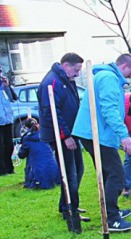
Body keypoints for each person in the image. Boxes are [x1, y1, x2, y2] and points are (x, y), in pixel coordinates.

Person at [72, 54, 131, 232]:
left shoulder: (105, 76)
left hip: (95, 133)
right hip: (95, 134)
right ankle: (112, 219)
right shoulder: (108, 78)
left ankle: (110, 211)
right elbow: (109, 110)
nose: (130, 76)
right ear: (124, 66)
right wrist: (124, 135)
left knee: (108, 174)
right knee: (116, 174)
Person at [38, 52, 88, 221]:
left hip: (71, 133)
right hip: (61, 137)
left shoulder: (66, 80)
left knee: (79, 168)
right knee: (70, 173)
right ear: (66, 65)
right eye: (76, 69)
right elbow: (51, 112)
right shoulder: (52, 82)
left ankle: (67, 204)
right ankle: (70, 210)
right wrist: (65, 136)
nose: (78, 73)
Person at [18, 118, 60, 189]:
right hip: (55, 173)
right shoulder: (45, 135)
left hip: (39, 175)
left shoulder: (27, 139)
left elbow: (21, 155)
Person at [0, 68, 17, 176]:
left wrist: (7, 86)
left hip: (7, 120)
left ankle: (9, 168)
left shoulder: (4, 87)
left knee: (9, 145)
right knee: (0, 146)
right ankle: (1, 170)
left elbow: (13, 98)